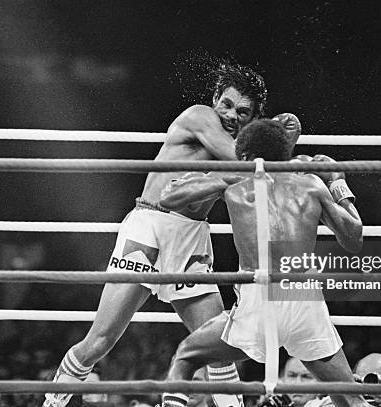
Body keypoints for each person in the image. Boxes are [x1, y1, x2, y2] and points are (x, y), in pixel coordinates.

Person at [44, 63, 300, 407]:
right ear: (214, 99)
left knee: (220, 346)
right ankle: (50, 403)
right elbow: (244, 162)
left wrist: (271, 143)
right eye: (226, 104)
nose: (230, 115)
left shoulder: (247, 145)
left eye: (242, 112)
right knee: (101, 340)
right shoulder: (199, 117)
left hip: (193, 238)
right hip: (151, 227)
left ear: (251, 116)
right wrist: (277, 139)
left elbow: (262, 187)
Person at [159, 119, 371, 407]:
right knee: (350, 400)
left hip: (259, 299)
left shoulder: (236, 181)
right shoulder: (311, 184)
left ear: (244, 157)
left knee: (186, 356)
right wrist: (338, 180)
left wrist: (219, 176)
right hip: (303, 298)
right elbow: (354, 238)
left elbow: (168, 198)